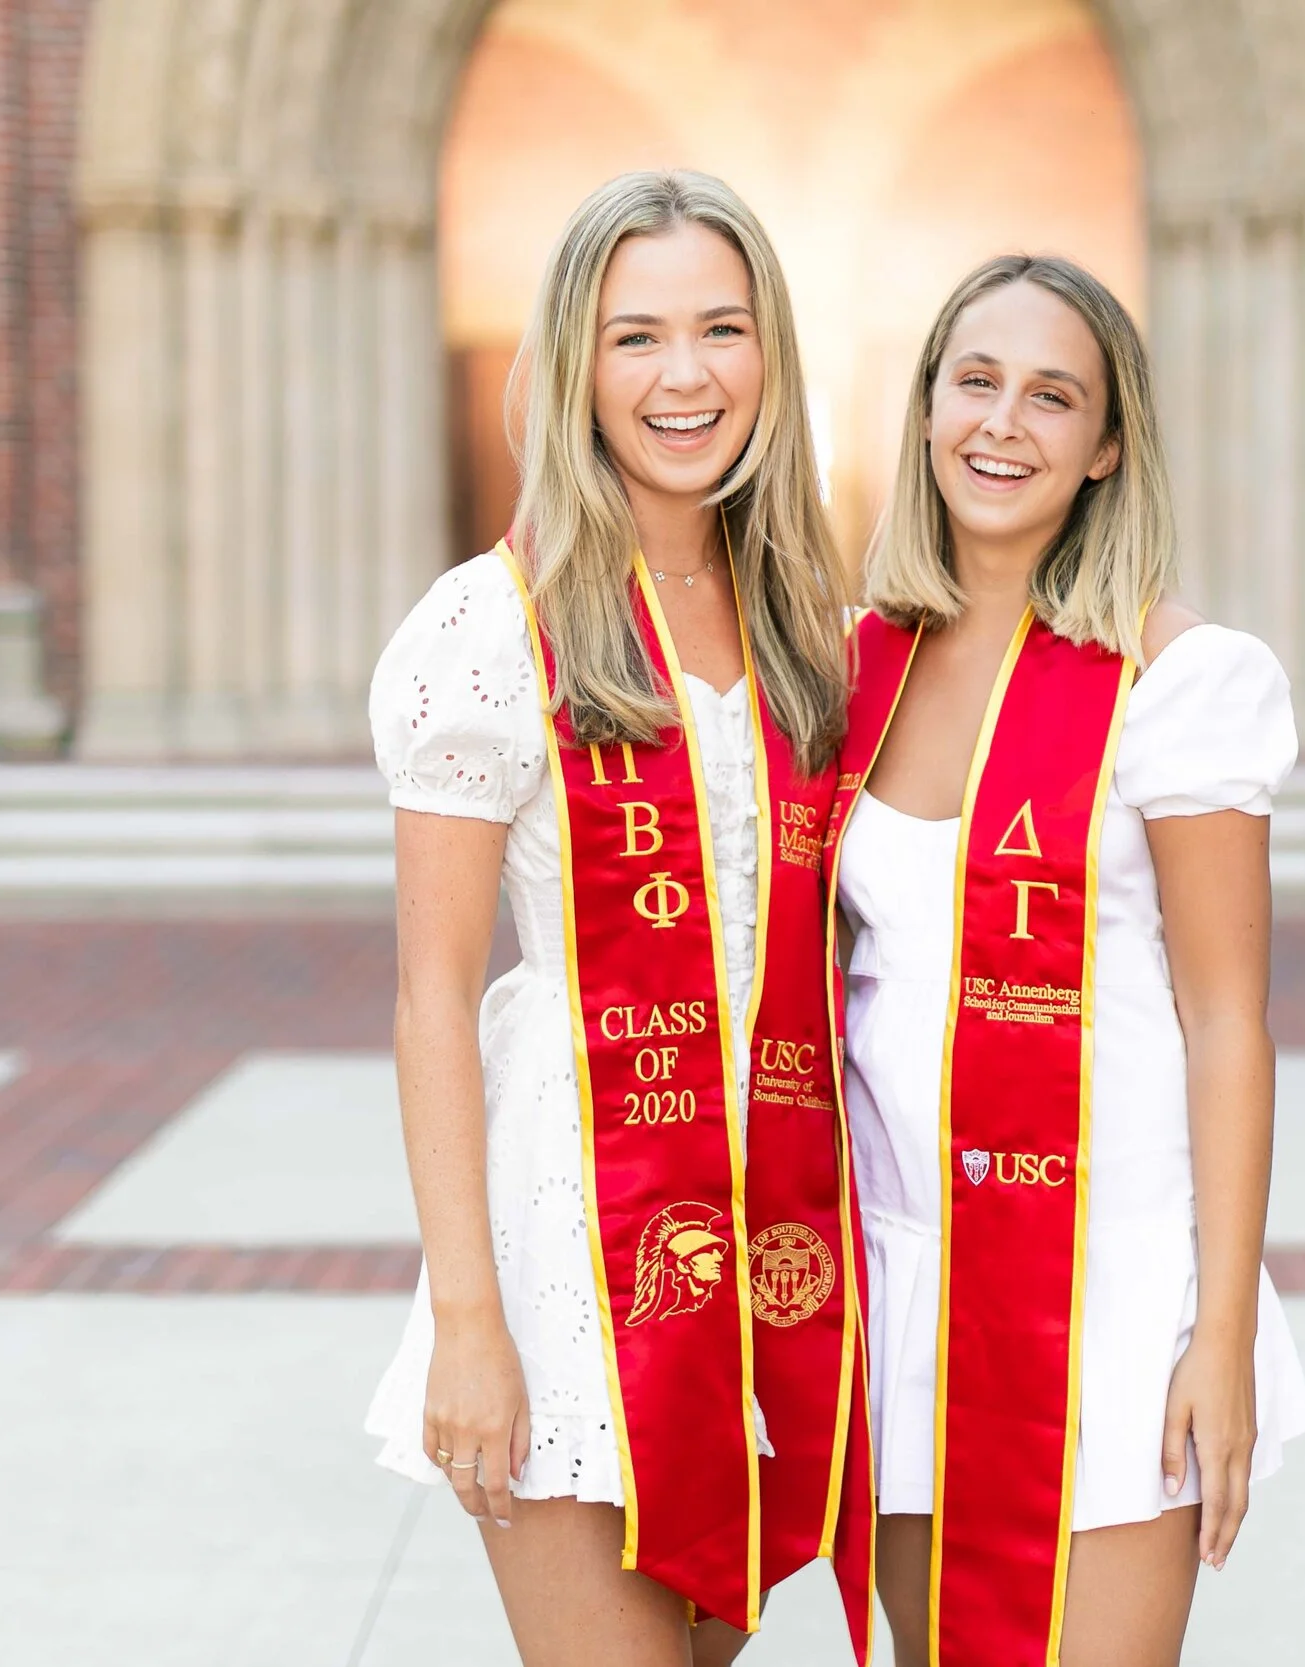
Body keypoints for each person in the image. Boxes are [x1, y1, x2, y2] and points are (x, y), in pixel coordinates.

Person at [366, 170, 870, 1667]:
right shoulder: (494, 623)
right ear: (575, 365)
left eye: (722, 328)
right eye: (634, 336)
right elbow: (432, 996)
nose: (683, 375)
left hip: (771, 1239)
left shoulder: (807, 626)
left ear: (772, 353)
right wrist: (471, 1319)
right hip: (574, 1238)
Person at [828, 255, 1305, 1667]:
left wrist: (1219, 1333)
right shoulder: (854, 668)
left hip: (1108, 1281)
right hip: (908, 1273)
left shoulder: (1179, 679)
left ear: (1107, 446)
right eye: (976, 382)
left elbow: (1227, 1020)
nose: (1004, 423)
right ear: (926, 409)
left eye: (1053, 397)